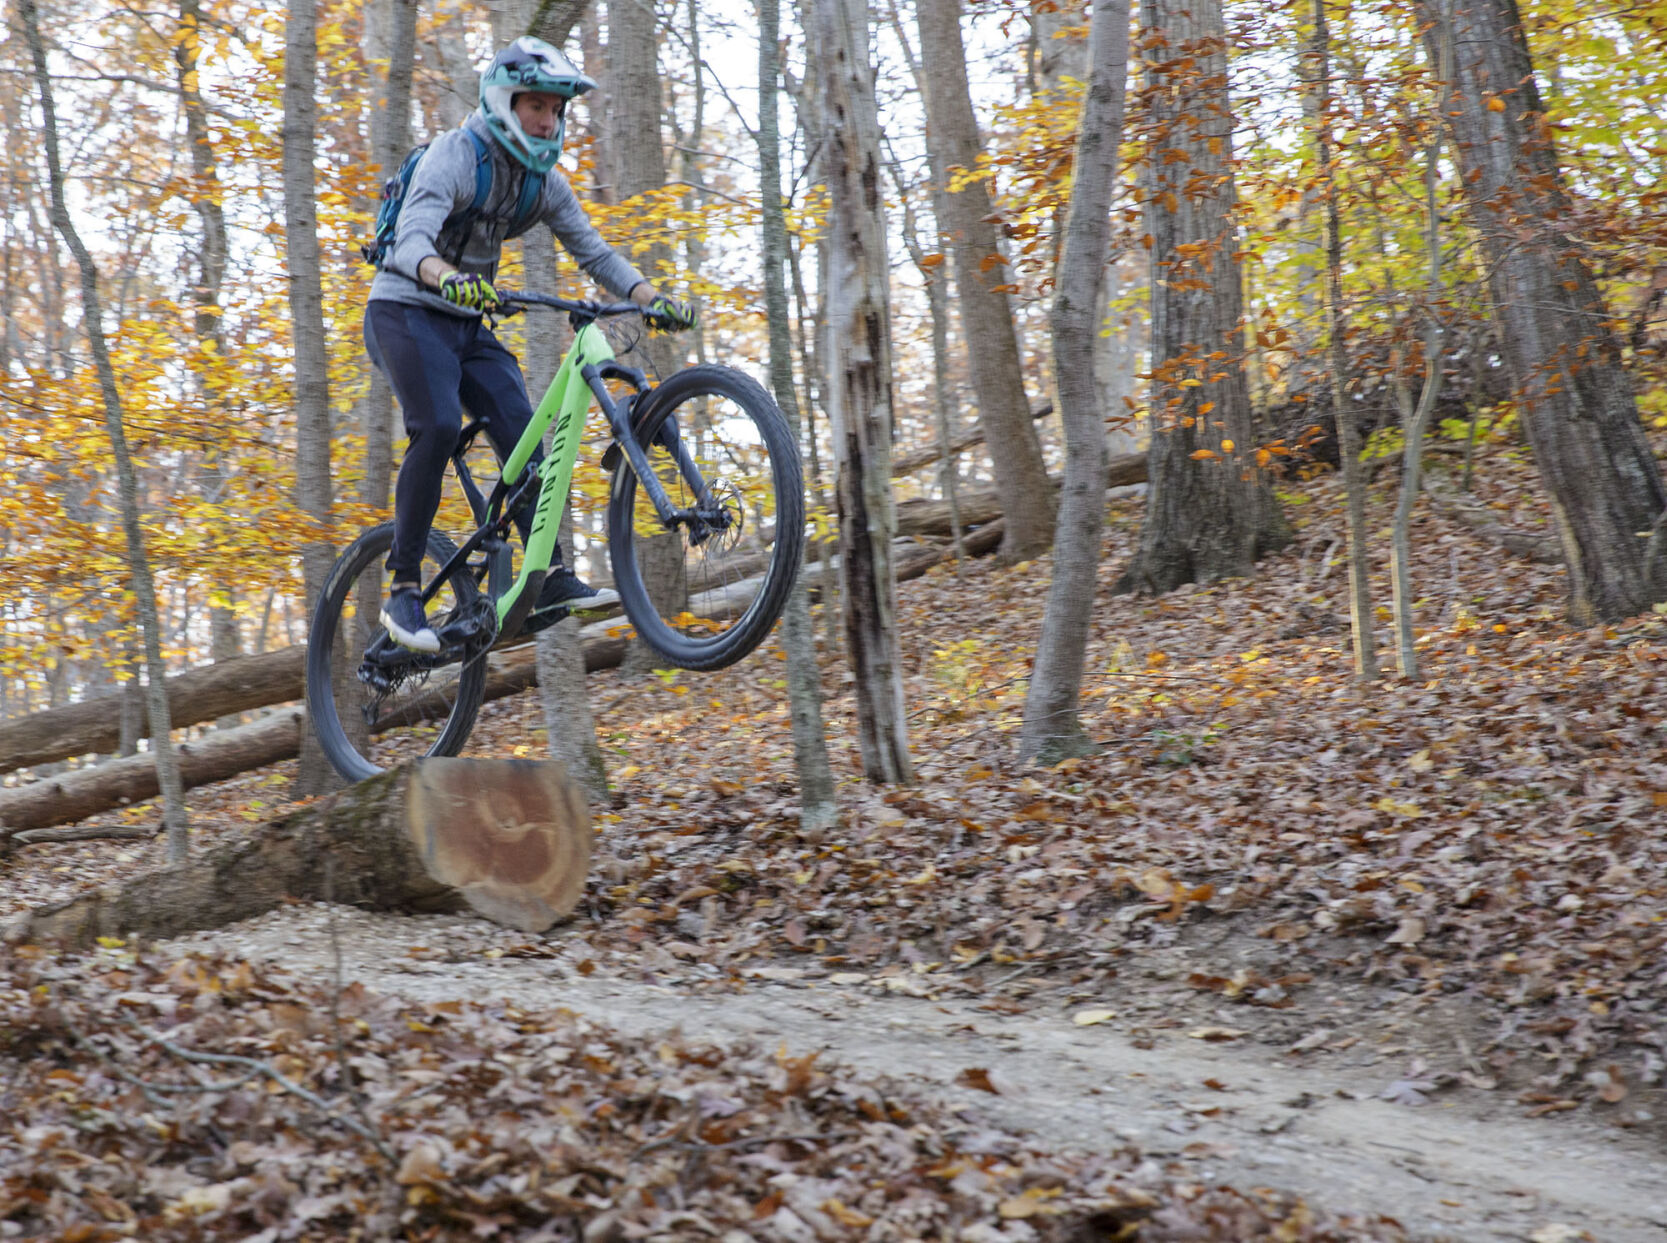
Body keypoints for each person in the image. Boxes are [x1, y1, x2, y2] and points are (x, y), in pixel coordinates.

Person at [365, 35, 695, 653]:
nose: (547, 120)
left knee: (526, 437)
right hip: (404, 310)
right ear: (503, 101)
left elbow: (594, 253)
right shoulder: (456, 156)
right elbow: (408, 244)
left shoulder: (541, 184)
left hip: (467, 324)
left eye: (555, 110)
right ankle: (405, 587)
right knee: (435, 425)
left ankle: (546, 579)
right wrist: (450, 280)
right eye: (535, 106)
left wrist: (652, 299)